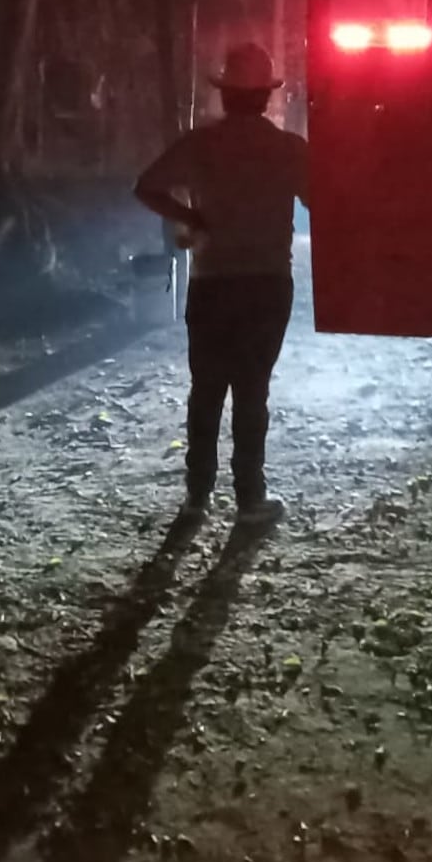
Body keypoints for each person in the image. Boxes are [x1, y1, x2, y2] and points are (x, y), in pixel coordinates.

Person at [134, 41, 309, 526]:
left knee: (206, 389)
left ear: (226, 94)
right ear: (266, 97)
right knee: (253, 390)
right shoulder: (287, 150)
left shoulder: (200, 144)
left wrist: (192, 216)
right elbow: (326, 200)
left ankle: (197, 495)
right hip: (268, 284)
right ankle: (250, 498)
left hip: (212, 283)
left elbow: (145, 187)